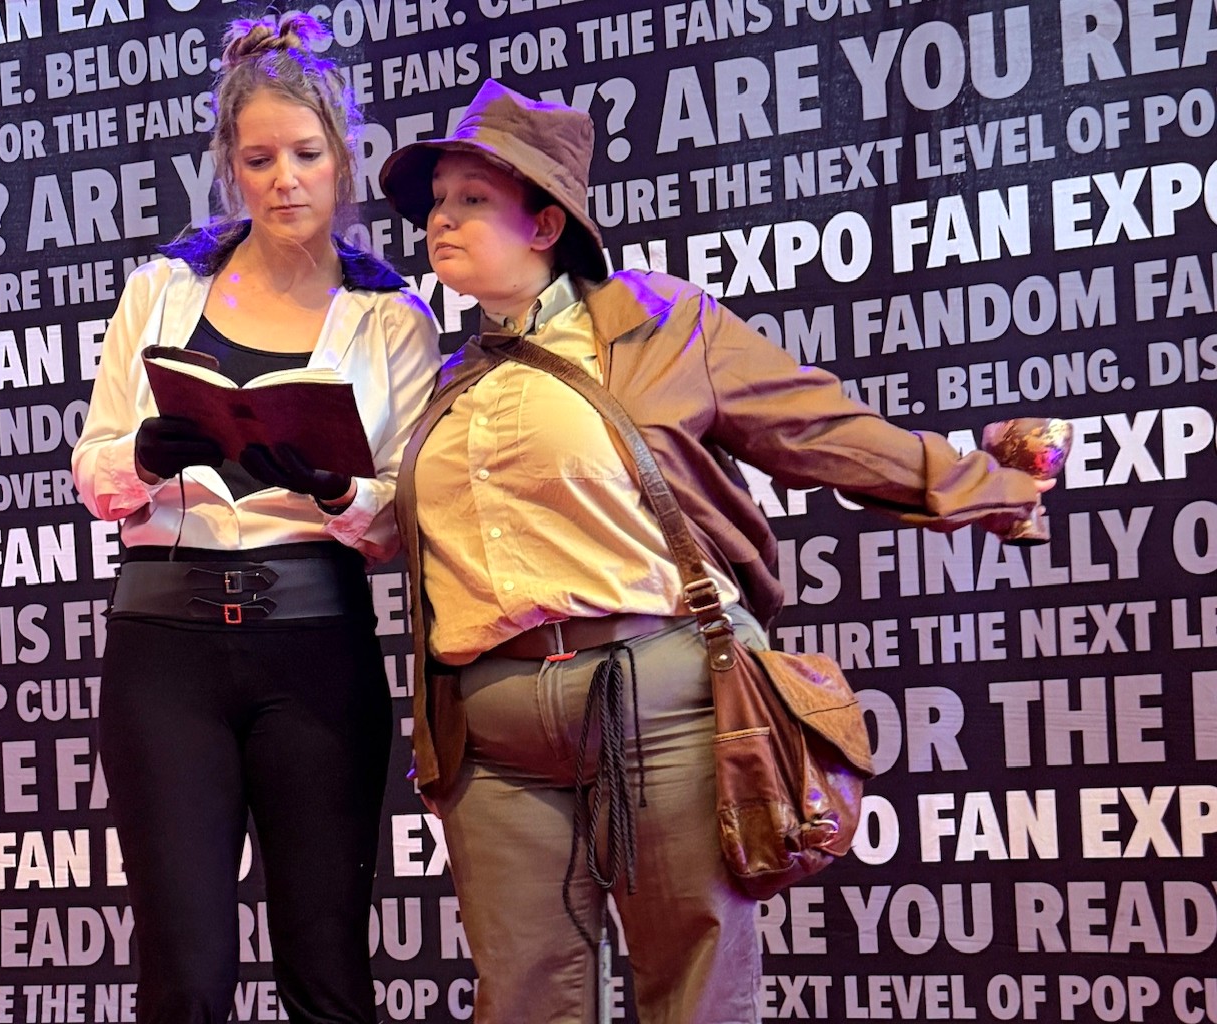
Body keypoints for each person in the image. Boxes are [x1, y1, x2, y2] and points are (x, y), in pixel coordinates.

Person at [379, 80, 1051, 1024]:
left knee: (692, 984)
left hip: (661, 698)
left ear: (542, 225)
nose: (438, 222)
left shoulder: (662, 325)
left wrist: (983, 483)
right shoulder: (450, 380)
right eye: (436, 202)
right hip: (493, 728)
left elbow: (822, 426)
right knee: (521, 997)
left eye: (469, 200)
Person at [71, 13, 439, 1024]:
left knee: (327, 973)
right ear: (230, 167)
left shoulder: (392, 316)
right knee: (184, 975)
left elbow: (406, 509)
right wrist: (143, 459)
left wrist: (337, 491)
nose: (285, 179)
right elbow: (94, 462)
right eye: (259, 157)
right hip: (165, 649)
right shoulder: (160, 291)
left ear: (344, 156)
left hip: (313, 642)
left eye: (307, 154)